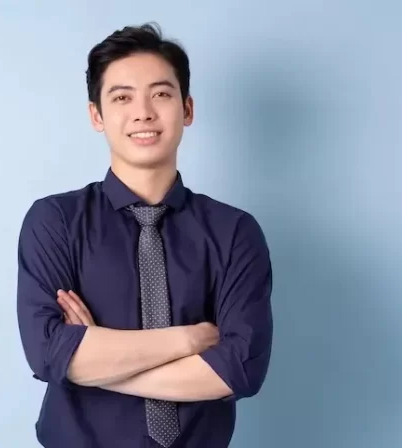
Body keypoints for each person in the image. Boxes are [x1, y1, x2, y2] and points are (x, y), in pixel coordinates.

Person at [16, 22, 273, 448]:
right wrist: (188, 340)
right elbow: (48, 355)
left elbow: (239, 370)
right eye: (122, 97)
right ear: (96, 115)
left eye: (161, 93)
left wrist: (95, 361)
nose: (143, 112)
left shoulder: (234, 232)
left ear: (187, 109)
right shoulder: (54, 221)